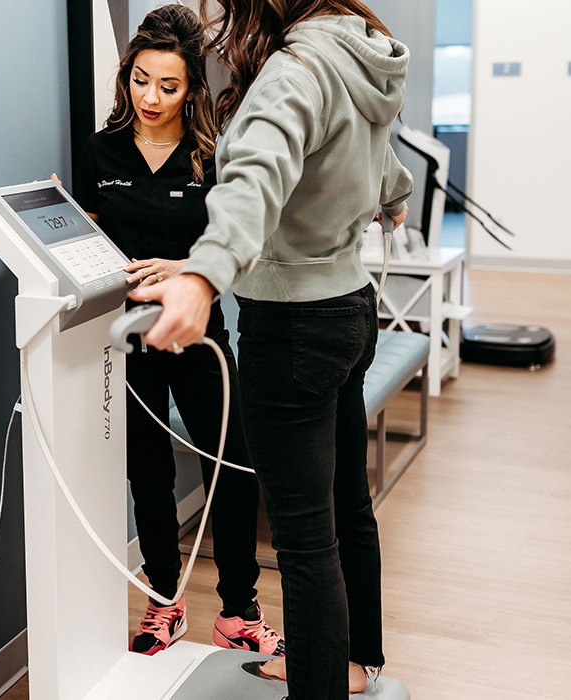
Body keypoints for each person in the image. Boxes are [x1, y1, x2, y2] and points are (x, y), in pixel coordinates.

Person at [132, 1, 412, 697]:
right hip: (350, 307)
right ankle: (351, 663)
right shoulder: (359, 46)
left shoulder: (295, 70)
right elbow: (374, 154)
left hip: (291, 324)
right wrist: (395, 194)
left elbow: (255, 176)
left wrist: (201, 274)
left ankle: (321, 682)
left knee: (305, 538)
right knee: (349, 505)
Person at [71, 4, 284, 659]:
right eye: (140, 81)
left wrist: (189, 266)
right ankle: (165, 602)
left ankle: (238, 611)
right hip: (131, 340)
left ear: (191, 88)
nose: (151, 98)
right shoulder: (101, 150)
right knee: (149, 475)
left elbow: (244, 239)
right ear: (126, 76)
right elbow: (91, 232)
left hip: (201, 336)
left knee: (235, 466)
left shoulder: (213, 154)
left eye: (168, 86)